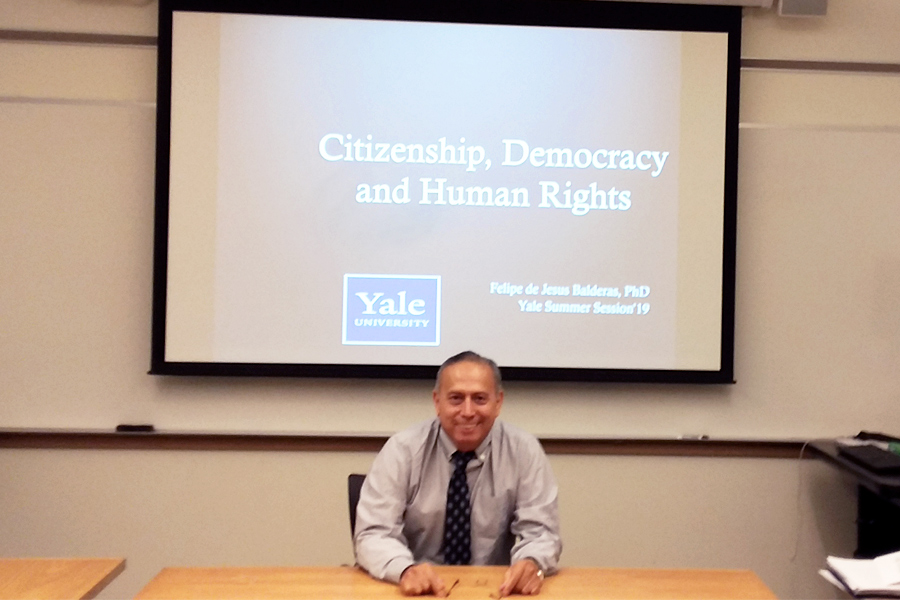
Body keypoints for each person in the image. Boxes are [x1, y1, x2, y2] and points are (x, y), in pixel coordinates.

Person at [354, 351, 561, 597]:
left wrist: (531, 563)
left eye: (480, 399)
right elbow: (373, 533)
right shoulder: (402, 450)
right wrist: (405, 569)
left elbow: (542, 533)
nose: (468, 411)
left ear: (498, 402)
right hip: (417, 591)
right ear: (437, 402)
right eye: (455, 398)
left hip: (492, 591)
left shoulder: (524, 451)